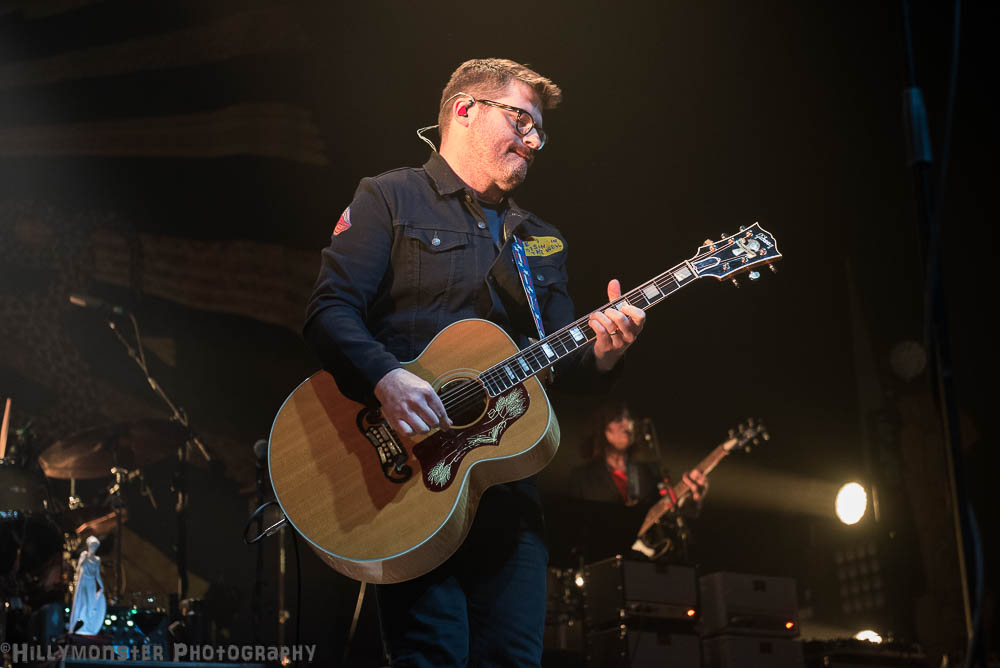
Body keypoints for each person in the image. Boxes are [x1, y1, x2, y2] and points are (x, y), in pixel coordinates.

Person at [303, 59, 646, 667]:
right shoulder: (388, 197)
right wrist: (386, 377)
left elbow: (558, 361)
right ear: (465, 109)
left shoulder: (541, 238)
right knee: (429, 655)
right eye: (522, 121)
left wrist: (603, 352)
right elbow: (329, 312)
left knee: (514, 658)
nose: (534, 142)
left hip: (507, 485)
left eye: (540, 132)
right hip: (408, 479)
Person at [569, 401, 708, 508]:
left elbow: (670, 510)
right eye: (618, 419)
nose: (627, 423)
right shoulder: (582, 477)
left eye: (628, 417)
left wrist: (694, 498)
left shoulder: (649, 470)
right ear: (602, 429)